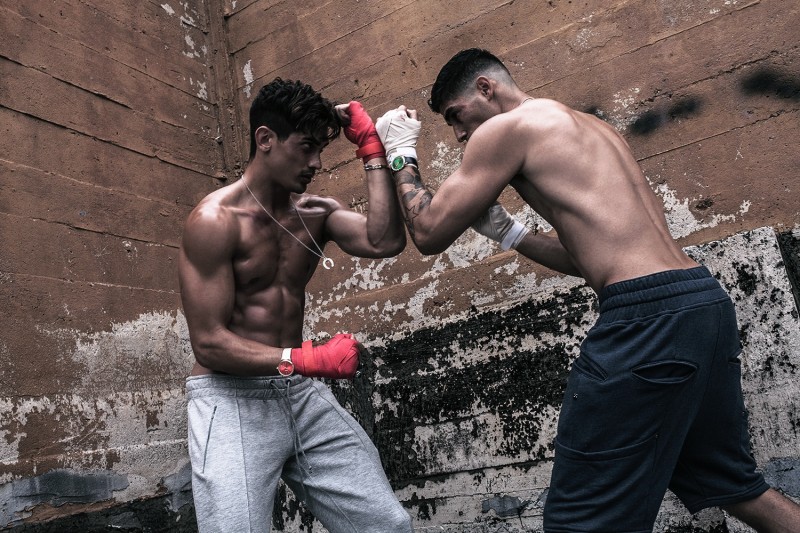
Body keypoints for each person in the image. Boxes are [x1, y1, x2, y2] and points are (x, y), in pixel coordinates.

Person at [376, 48, 800, 532]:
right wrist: (511, 234)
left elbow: (428, 232)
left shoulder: (504, 129)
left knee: (579, 520)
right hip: (699, 300)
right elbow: (589, 258)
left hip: (646, 321)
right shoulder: (589, 127)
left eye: (456, 116)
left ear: (486, 89)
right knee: (734, 485)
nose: (459, 134)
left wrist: (400, 153)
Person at [178, 78, 412, 532]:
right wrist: (307, 360)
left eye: (320, 149)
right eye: (306, 148)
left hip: (297, 394)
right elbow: (209, 344)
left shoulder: (315, 213)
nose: (317, 163)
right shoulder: (215, 221)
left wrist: (371, 149)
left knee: (386, 525)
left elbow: (384, 240)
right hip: (230, 401)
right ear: (265, 139)